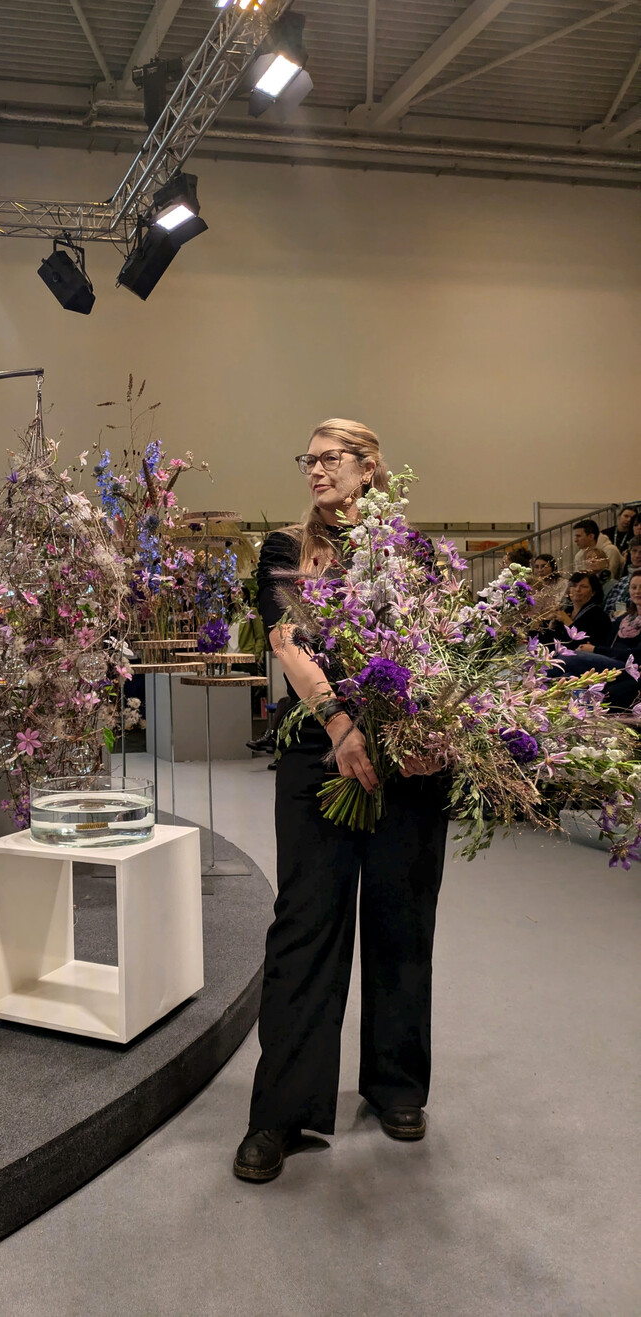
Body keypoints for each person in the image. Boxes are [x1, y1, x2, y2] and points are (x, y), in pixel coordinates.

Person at [235, 419, 450, 1185]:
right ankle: (279, 1113)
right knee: (305, 926)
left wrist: (431, 730)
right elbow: (287, 642)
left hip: (409, 760)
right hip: (315, 753)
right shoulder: (283, 549)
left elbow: (439, 646)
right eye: (309, 459)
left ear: (370, 469)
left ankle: (396, 1085)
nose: (316, 470)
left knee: (400, 920)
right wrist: (338, 723)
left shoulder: (414, 552)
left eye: (332, 459)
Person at [557, 572, 641, 710]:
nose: (637, 592)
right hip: (610, 660)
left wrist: (595, 650)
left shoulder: (598, 615)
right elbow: (607, 643)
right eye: (634, 587)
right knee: (568, 676)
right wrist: (594, 649)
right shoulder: (624, 618)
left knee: (570, 656)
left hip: (632, 667)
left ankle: (540, 675)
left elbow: (637, 654)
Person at [546, 571, 613, 649]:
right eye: (573, 586)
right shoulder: (567, 610)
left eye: (584, 586)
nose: (577, 589)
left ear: (593, 592)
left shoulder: (599, 616)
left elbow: (583, 645)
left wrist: (567, 621)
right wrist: (550, 625)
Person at [603, 538, 641, 617]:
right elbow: (608, 607)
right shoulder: (622, 581)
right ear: (629, 552)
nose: (637, 555)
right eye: (634, 551)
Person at [529, 553, 568, 629]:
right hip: (533, 620)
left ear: (553, 567)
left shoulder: (562, 583)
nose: (540, 570)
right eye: (537, 567)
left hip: (552, 619)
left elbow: (558, 604)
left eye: (544, 566)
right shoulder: (533, 584)